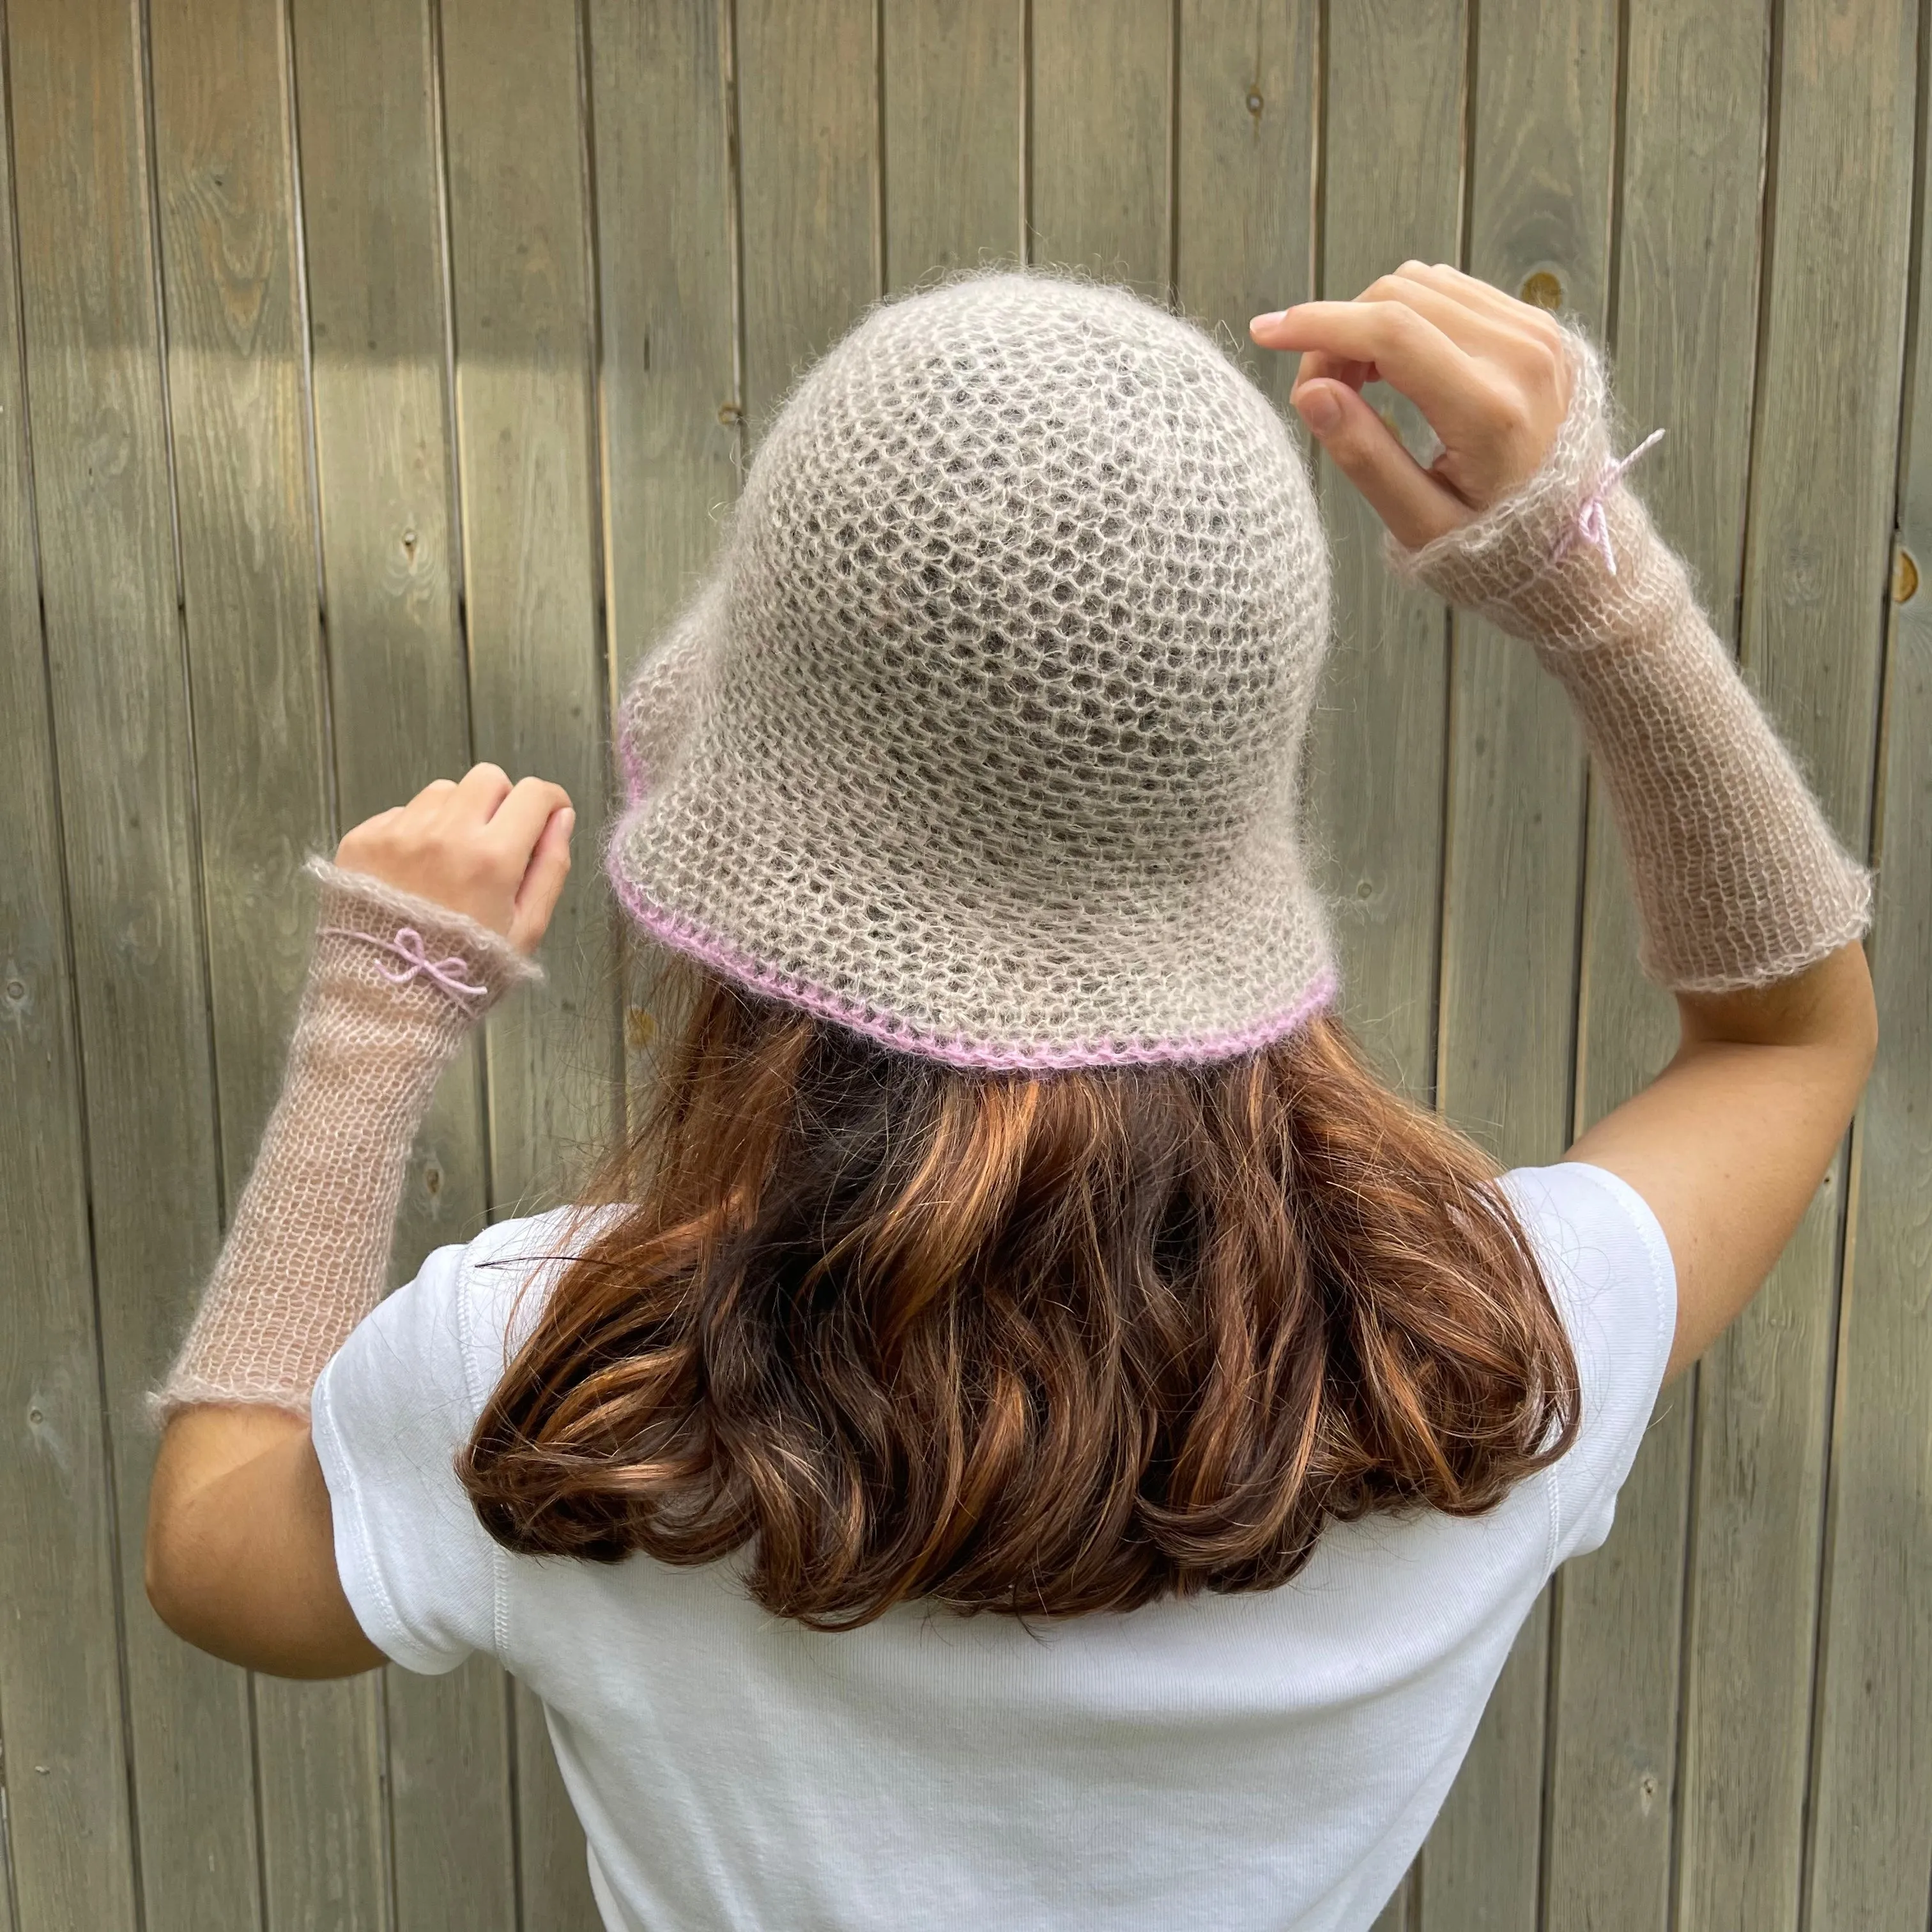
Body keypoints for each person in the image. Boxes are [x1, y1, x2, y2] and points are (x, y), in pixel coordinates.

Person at [142, 264, 1875, 1931]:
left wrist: (380, 1020)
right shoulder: (1494, 1361)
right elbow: (1790, 1041)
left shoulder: (565, 1381)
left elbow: (222, 1557)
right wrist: (1592, 578)